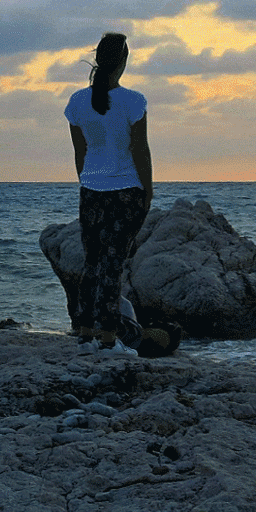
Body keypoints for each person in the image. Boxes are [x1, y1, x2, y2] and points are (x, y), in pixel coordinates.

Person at [64, 32, 152, 349]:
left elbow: (80, 152)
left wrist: (87, 181)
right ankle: (108, 336)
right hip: (127, 190)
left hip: (91, 189)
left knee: (92, 262)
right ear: (124, 61)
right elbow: (141, 150)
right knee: (113, 265)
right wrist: (148, 190)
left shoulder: (76, 102)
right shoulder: (134, 101)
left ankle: (85, 329)